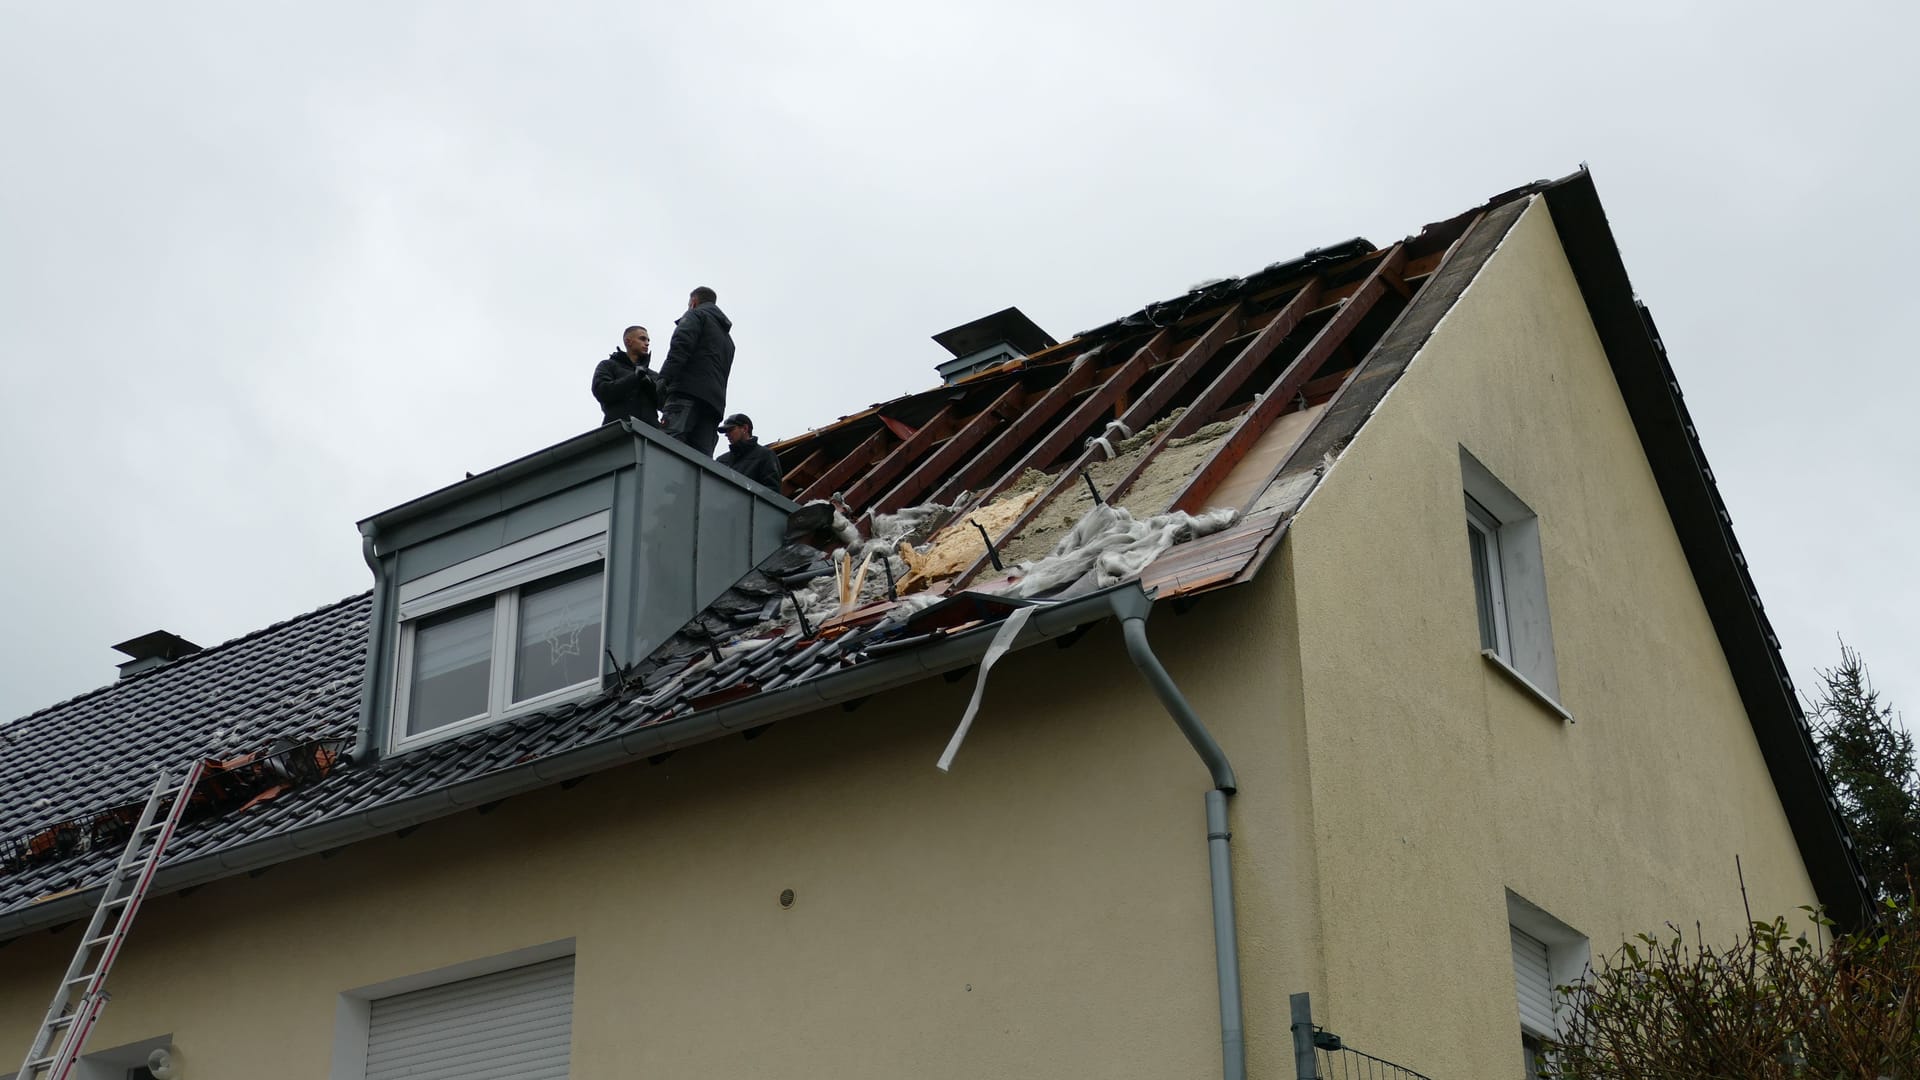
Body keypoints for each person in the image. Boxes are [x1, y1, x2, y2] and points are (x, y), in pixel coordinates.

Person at [659, 286, 734, 455]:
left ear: (693, 302)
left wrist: (664, 379)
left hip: (686, 393)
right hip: (713, 404)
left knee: (667, 448)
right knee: (700, 461)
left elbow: (680, 348)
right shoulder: (728, 341)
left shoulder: (695, 315)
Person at [591, 326, 661, 427]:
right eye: (642, 338)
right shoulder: (608, 365)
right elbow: (602, 391)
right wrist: (634, 378)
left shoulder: (652, 375)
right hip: (618, 431)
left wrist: (650, 385)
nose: (647, 343)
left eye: (648, 340)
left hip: (651, 434)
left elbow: (666, 403)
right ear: (628, 342)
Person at [714, 413, 783, 491]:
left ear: (745, 428)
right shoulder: (721, 460)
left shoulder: (765, 455)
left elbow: (773, 492)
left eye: (730, 430)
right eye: (725, 431)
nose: (726, 434)